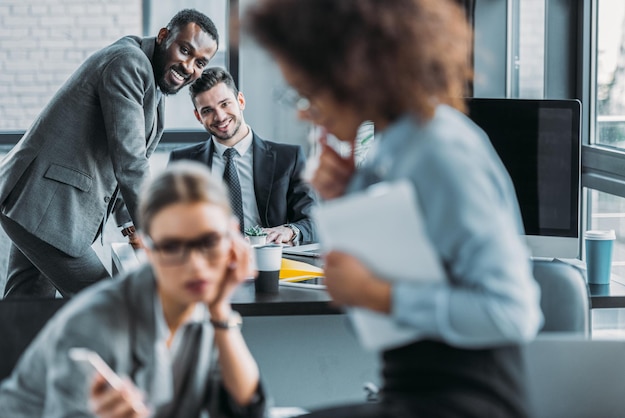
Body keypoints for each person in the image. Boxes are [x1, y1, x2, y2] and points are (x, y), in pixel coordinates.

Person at [245, 0, 543, 417]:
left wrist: (377, 293)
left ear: (356, 74)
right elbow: (369, 323)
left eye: (310, 92)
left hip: (467, 404)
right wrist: (344, 202)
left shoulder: (441, 151)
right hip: (409, 394)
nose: (302, 110)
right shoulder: (388, 154)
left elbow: (511, 314)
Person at [0, 161, 267, 418]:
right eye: (173, 247)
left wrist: (220, 310)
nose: (196, 265)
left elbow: (247, 410)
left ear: (233, 236)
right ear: (148, 249)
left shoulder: (200, 306)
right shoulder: (93, 324)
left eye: (209, 241)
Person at [0, 9, 220, 299]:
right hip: (46, 209)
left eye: (200, 62)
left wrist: (130, 224)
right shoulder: (129, 62)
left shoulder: (149, 76)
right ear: (164, 36)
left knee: (25, 310)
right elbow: (130, 162)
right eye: (185, 50)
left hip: (35, 204)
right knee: (109, 304)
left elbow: (120, 159)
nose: (189, 66)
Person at [169, 67, 317, 245]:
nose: (220, 116)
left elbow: (313, 222)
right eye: (207, 111)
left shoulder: (288, 158)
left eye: (225, 104)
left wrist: (290, 231)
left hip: (271, 263)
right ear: (198, 116)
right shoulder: (182, 163)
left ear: (240, 101)